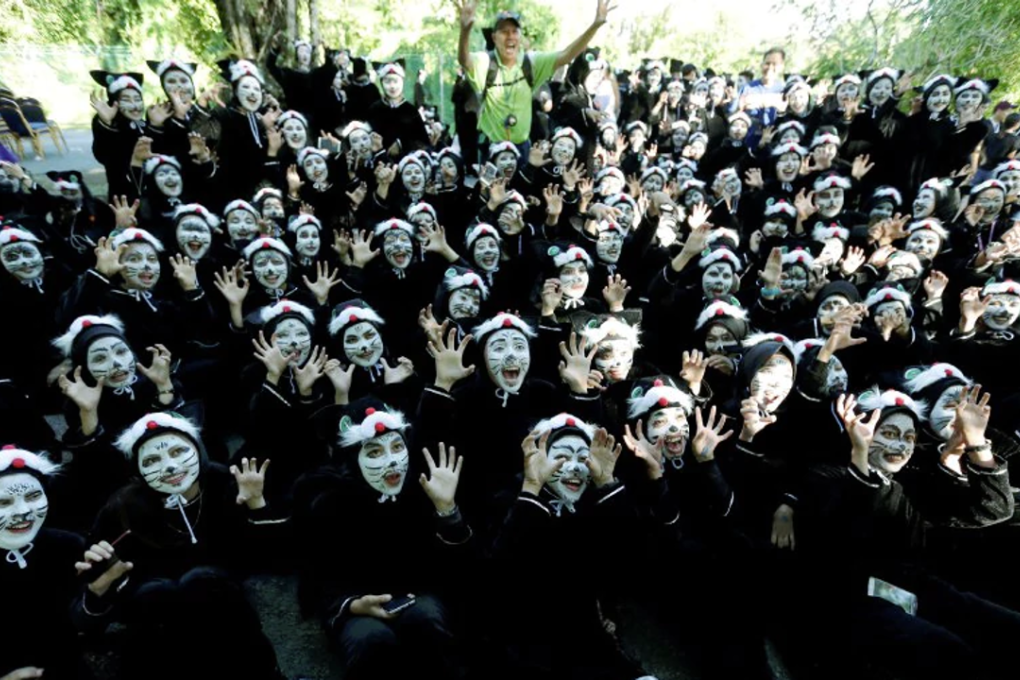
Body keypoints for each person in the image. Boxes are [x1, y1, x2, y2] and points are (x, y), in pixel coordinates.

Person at [455, 0, 616, 157]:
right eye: (504, 32)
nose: (510, 36)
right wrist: (464, 30)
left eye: (514, 31)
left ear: (520, 36)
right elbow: (465, 60)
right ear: (494, 37)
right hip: (493, 149)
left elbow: (566, 55)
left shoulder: (531, 63)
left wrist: (595, 25)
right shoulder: (485, 62)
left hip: (522, 150)